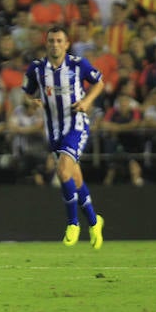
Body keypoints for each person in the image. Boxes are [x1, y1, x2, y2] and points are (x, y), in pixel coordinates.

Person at [21, 25, 105, 249]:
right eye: (51, 41)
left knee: (62, 170)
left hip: (77, 124)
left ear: (67, 44)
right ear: (46, 43)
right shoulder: (37, 69)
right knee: (75, 179)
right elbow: (27, 92)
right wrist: (33, 102)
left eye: (59, 41)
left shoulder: (78, 65)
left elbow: (99, 82)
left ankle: (73, 223)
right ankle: (95, 222)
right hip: (54, 129)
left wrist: (87, 102)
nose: (55, 44)